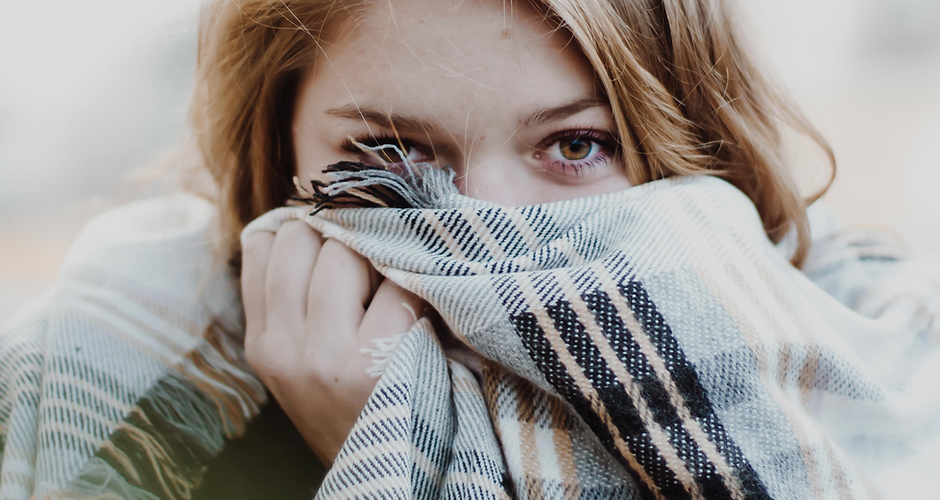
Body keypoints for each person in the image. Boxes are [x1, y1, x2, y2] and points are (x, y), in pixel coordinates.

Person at [4, 0, 938, 499]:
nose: (479, 233)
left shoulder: (883, 382)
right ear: (276, 152)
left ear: (689, 148)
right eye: (391, 156)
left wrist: (369, 449)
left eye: (576, 146)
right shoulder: (113, 389)